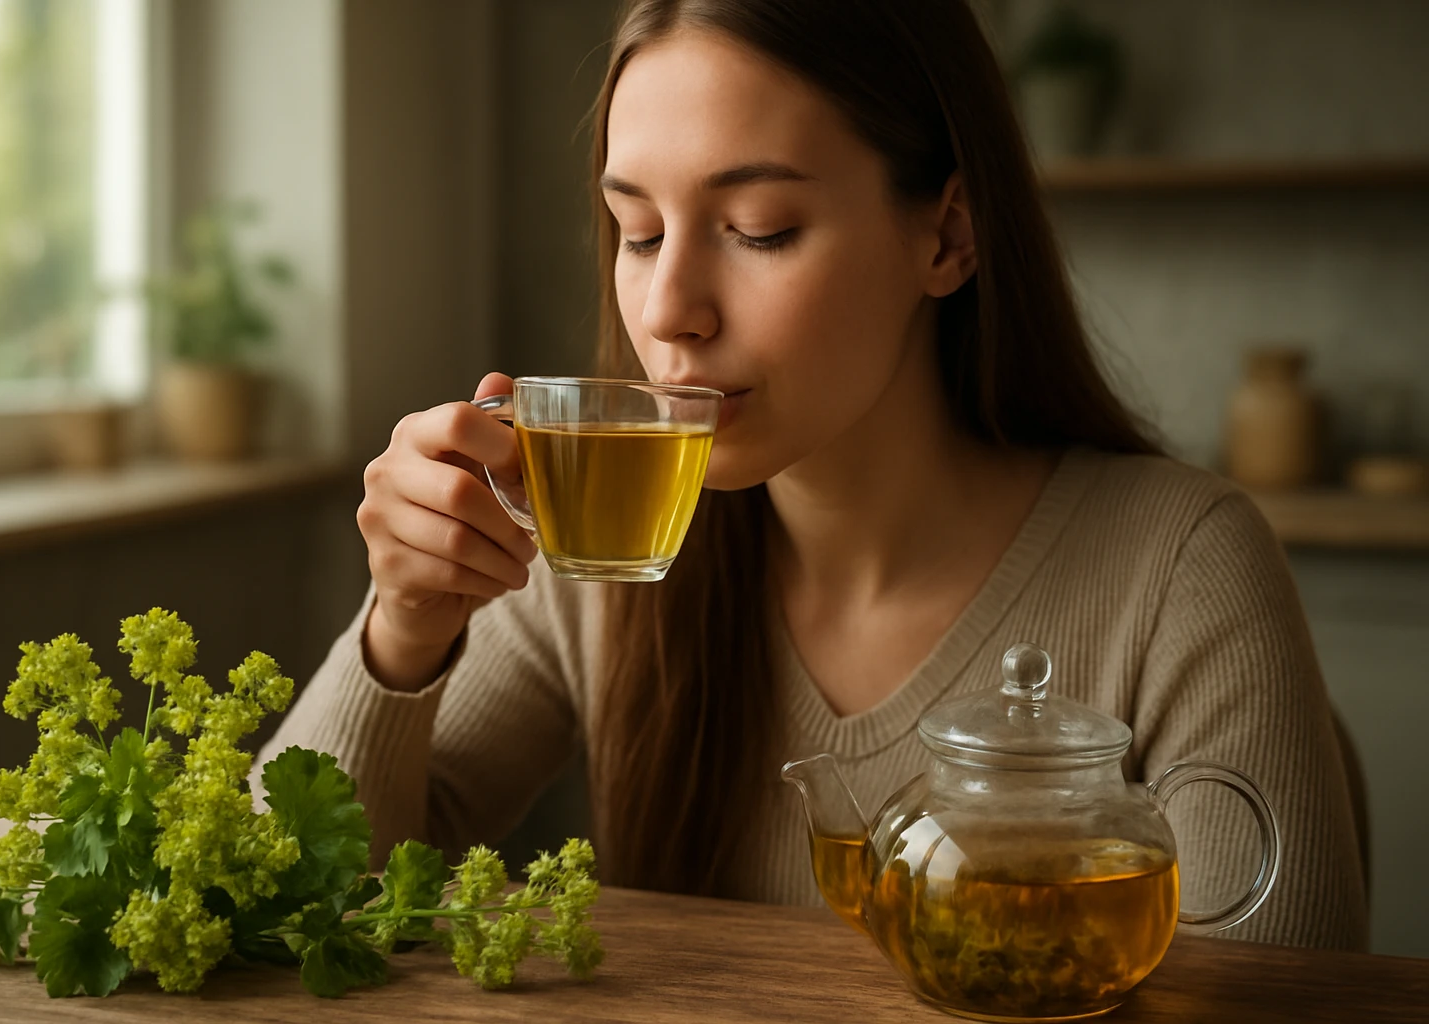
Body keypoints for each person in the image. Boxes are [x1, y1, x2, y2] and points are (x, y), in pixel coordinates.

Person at [259, 0, 1367, 950]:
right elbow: (282, 892)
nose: (666, 311)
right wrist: (402, 630)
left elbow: (1278, 989)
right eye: (638, 233)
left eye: (759, 228)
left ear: (948, 234)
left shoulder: (1181, 564)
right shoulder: (601, 534)